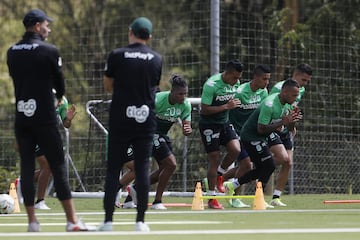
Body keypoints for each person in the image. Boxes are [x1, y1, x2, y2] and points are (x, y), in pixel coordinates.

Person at [7, 9, 91, 232]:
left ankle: (32, 223)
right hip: (44, 117)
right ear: (36, 26)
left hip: (22, 116)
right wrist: (60, 97)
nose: (49, 28)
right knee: (58, 166)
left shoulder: (11, 51)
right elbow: (59, 84)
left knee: (26, 167)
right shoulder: (49, 50)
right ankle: (72, 221)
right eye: (46, 24)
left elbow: (18, 80)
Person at [100, 17, 162, 232]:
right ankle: (140, 222)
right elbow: (153, 85)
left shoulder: (117, 55)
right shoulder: (156, 58)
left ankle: (108, 221)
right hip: (145, 118)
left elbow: (108, 86)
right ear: (150, 37)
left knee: (113, 169)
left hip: (120, 117)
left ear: (130, 32)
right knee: (143, 168)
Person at [224, 79, 302, 201]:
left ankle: (232, 185)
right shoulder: (269, 104)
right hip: (251, 136)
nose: (296, 98)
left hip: (265, 135)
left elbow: (289, 128)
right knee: (268, 165)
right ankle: (258, 198)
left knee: (265, 167)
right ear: (285, 92)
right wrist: (282, 122)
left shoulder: (288, 104)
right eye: (294, 95)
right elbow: (261, 129)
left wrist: (292, 121)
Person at [125, 74, 192, 210]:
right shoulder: (158, 100)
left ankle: (132, 193)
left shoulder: (185, 105)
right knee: (171, 164)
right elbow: (141, 117)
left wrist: (187, 128)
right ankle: (157, 201)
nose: (183, 97)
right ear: (172, 92)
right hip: (149, 133)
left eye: (185, 94)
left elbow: (187, 128)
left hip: (162, 134)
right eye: (180, 94)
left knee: (164, 168)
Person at [222, 64, 271, 208]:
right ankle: (234, 198)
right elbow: (227, 113)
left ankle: (218, 181)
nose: (266, 82)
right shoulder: (240, 92)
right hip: (236, 133)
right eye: (264, 79)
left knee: (260, 165)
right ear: (255, 77)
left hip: (252, 135)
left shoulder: (263, 92)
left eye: (268, 79)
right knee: (246, 165)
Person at [199, 60, 243, 209]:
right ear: (228, 73)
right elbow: (204, 109)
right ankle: (212, 198)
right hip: (209, 125)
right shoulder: (211, 85)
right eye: (235, 77)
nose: (237, 81)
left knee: (235, 150)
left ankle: (220, 175)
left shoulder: (235, 84)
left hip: (224, 122)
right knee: (214, 159)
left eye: (238, 78)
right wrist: (225, 106)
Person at [268, 63, 313, 207]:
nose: (305, 84)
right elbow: (269, 106)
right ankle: (237, 182)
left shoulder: (301, 90)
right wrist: (277, 124)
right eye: (304, 80)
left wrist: (292, 125)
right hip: (273, 128)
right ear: (296, 74)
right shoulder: (279, 87)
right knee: (266, 160)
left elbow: (292, 107)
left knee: (288, 162)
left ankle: (276, 197)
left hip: (286, 129)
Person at [34, 96, 76, 210]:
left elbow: (66, 124)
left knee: (51, 168)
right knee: (46, 166)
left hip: (50, 137)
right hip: (36, 134)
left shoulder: (63, 100)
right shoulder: (39, 94)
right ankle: (39, 201)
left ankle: (23, 181)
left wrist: (68, 119)